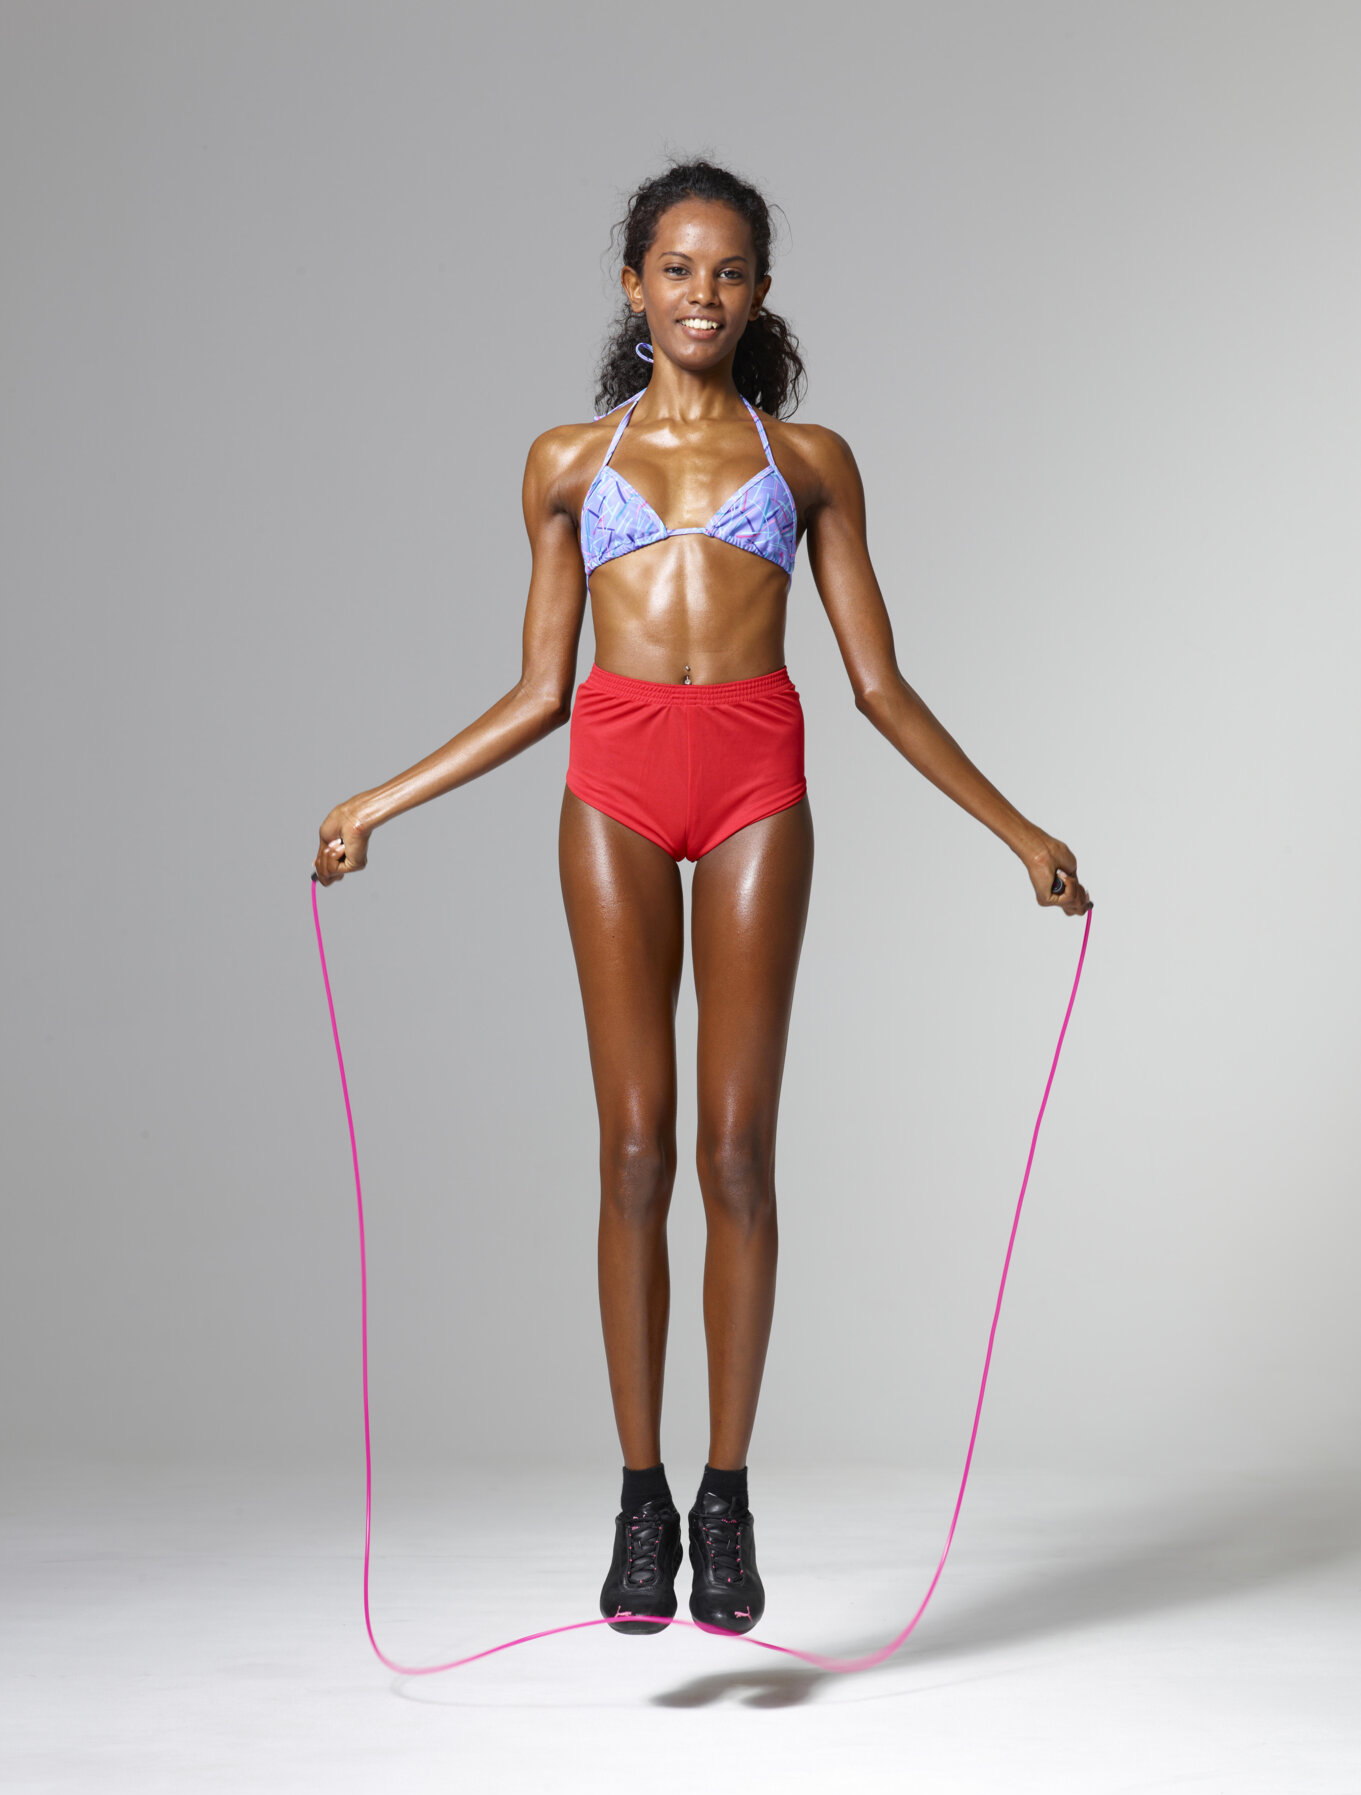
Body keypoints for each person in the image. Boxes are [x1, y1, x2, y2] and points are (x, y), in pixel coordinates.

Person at [313, 158, 1092, 1640]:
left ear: (760, 293)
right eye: (676, 269)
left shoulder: (807, 462)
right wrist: (374, 803)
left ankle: (725, 1499)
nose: (702, 294)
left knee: (736, 1152)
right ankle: (638, 1496)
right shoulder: (564, 462)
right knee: (631, 1151)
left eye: (729, 271)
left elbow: (877, 685)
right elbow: (539, 692)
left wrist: (1017, 832)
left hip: (752, 788)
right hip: (613, 782)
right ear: (632, 286)